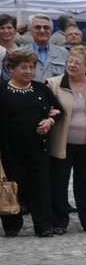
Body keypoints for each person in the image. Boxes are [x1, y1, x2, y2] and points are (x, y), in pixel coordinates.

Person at [46, 46, 86, 233]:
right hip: (62, 141)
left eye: (77, 63)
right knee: (58, 183)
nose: (72, 65)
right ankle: (59, 222)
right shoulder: (53, 83)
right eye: (70, 61)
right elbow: (46, 105)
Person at [0, 49, 62, 237]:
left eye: (31, 67)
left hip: (38, 148)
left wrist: (50, 121)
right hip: (10, 149)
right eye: (23, 67)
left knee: (41, 187)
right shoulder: (2, 90)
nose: (28, 71)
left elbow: (58, 109)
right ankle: (12, 224)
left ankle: (43, 226)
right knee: (13, 186)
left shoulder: (40, 88)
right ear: (11, 69)